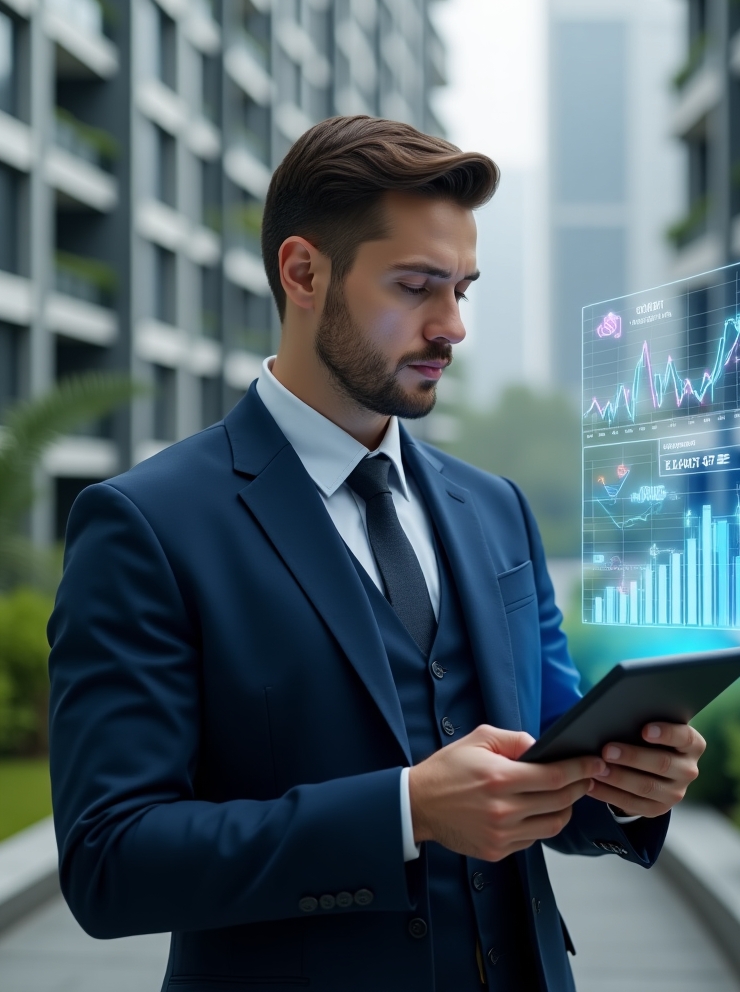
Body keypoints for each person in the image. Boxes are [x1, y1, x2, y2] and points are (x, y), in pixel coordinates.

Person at [48, 116, 706, 992]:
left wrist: (626, 783)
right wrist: (405, 812)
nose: (452, 327)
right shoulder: (146, 524)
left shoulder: (494, 508)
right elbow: (112, 860)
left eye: (463, 290)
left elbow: (544, 757)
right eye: (416, 287)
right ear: (303, 271)